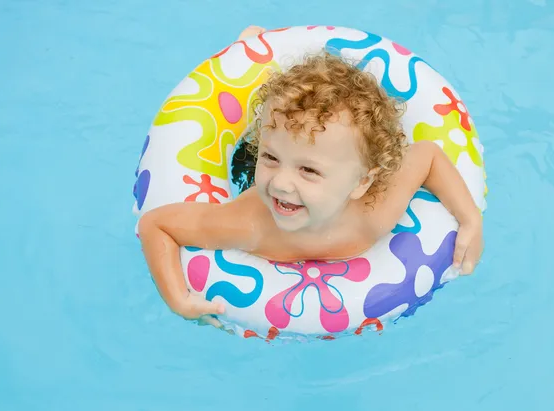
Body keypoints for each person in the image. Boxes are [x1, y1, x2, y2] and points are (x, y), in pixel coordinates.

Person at [138, 26, 484, 327]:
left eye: (308, 170)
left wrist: (470, 220)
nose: (281, 183)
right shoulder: (247, 224)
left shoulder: (376, 211)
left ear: (363, 182)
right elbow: (157, 225)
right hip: (246, 178)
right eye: (270, 157)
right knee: (254, 161)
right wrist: (177, 298)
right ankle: (249, 50)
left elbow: (428, 155)